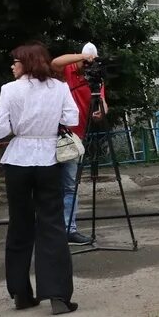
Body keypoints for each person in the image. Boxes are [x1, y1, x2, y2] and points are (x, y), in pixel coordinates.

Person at [0, 42, 81, 315]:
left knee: (19, 223)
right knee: (51, 224)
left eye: (16, 61)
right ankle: (56, 294)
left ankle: (20, 291)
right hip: (48, 159)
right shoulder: (60, 87)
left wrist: (22, 124)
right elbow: (72, 116)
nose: (12, 65)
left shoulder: (9, 89)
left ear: (27, 63)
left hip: (18, 159)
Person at [50, 45, 103, 246]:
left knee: (71, 185)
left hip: (76, 138)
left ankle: (69, 229)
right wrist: (82, 57)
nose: (88, 65)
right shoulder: (69, 70)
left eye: (91, 61)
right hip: (55, 134)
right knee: (51, 184)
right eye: (86, 62)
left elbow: (103, 102)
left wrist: (101, 111)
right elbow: (55, 62)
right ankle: (51, 228)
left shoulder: (95, 78)